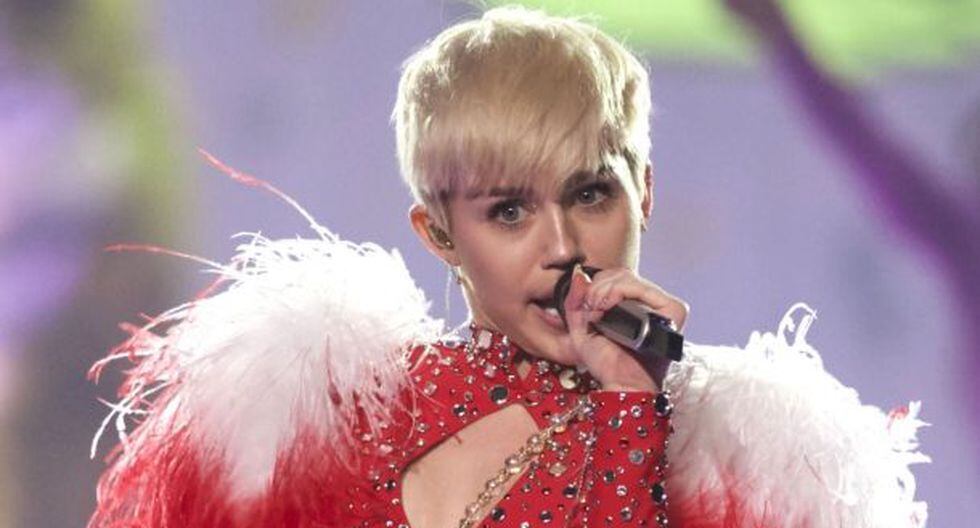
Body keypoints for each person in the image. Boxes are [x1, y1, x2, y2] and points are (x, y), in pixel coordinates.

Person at [89, 6, 928, 528]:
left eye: (591, 194)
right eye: (510, 212)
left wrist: (628, 411)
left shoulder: (736, 467)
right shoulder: (328, 417)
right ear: (438, 234)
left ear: (644, 193)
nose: (562, 246)